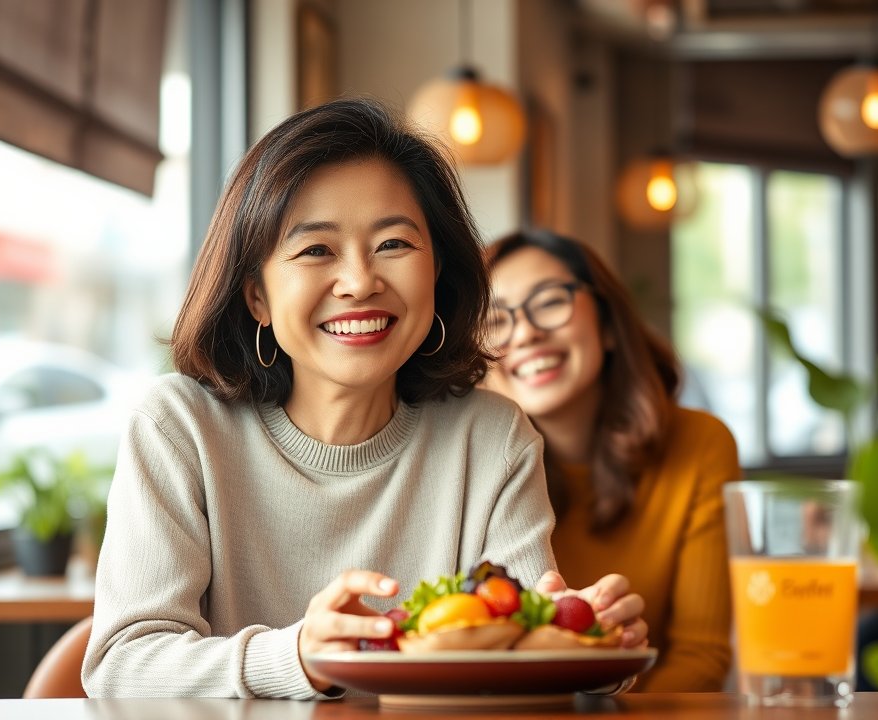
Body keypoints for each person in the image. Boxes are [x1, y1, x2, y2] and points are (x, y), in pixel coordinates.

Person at [80, 99, 648, 699]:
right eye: (316, 250)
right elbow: (122, 662)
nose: (359, 282)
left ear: (437, 272)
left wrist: (596, 645)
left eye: (394, 244)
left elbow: (525, 657)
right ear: (258, 298)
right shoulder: (180, 427)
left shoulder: (492, 436)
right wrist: (298, 657)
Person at [480, 229, 738, 692]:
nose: (526, 333)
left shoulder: (700, 444)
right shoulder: (468, 465)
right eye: (495, 319)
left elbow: (701, 656)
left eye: (550, 301)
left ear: (606, 323)